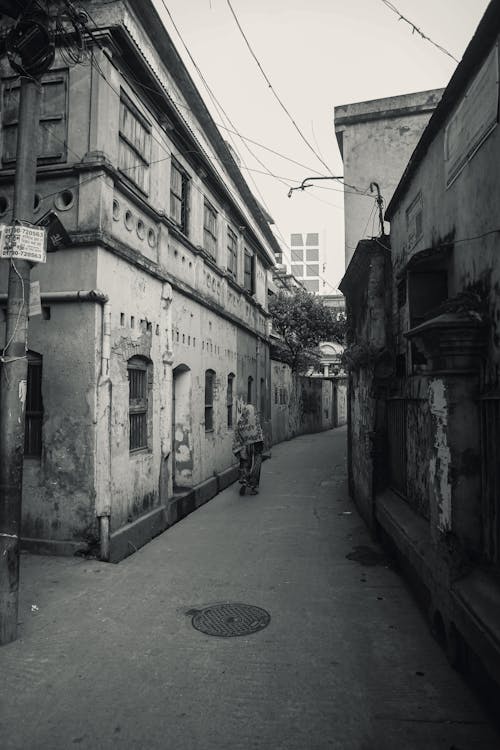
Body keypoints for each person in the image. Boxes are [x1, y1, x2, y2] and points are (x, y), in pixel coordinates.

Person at [232, 403, 264, 495]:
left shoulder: (241, 422)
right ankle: (253, 486)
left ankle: (244, 480)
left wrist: (239, 447)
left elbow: (237, 434)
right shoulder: (255, 421)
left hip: (245, 446)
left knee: (245, 462)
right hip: (256, 444)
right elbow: (259, 433)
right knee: (257, 463)